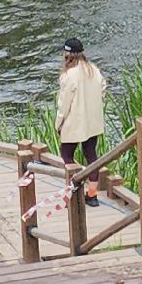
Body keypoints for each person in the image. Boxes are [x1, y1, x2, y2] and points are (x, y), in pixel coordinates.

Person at [56, 38, 107, 207]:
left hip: (74, 122)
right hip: (92, 121)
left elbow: (64, 104)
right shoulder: (94, 70)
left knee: (67, 156)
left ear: (67, 55)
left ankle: (71, 194)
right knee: (91, 155)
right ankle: (92, 195)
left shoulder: (69, 75)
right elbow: (103, 89)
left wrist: (59, 123)